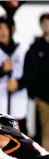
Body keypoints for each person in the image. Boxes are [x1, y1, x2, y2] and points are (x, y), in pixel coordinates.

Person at [31, 13, 49, 150]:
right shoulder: (36, 46)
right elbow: (33, 71)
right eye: (44, 22)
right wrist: (34, 95)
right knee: (46, 130)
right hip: (43, 97)